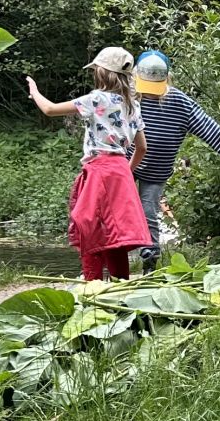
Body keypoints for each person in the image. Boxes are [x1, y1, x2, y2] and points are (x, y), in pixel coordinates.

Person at [26, 47, 151, 280]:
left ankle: (91, 285)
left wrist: (35, 91)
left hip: (99, 170)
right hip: (121, 172)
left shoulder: (96, 99)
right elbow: (142, 148)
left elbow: (50, 109)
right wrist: (126, 171)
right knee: (115, 234)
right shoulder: (133, 105)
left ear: (102, 73)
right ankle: (120, 284)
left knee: (89, 227)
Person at [131, 50, 220, 273]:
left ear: (166, 79)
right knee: (121, 209)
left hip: (157, 169)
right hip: (128, 163)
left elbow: (207, 126)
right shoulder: (129, 97)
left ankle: (150, 258)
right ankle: (112, 257)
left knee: (147, 209)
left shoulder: (178, 101)